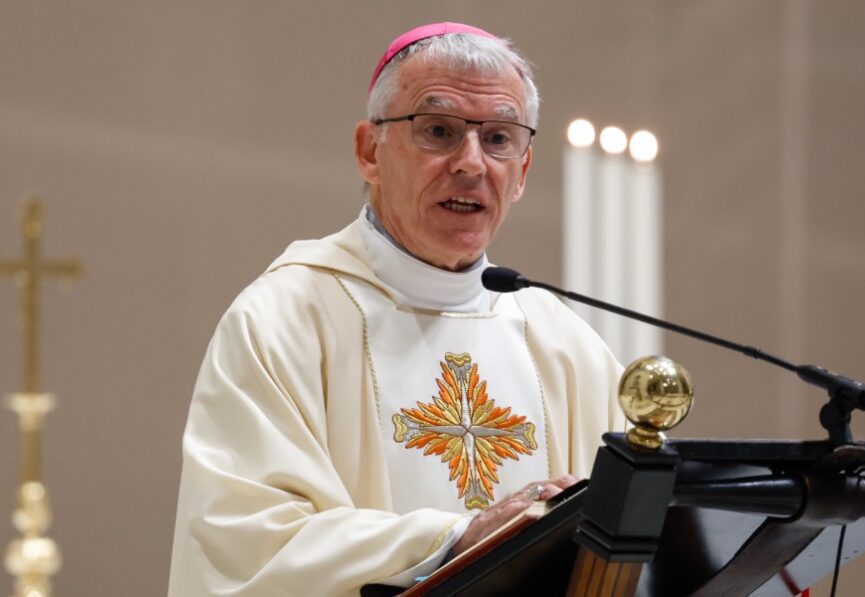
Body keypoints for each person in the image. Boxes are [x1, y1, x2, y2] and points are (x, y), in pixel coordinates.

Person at [168, 22, 625, 596]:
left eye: (499, 139)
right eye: (438, 130)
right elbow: (249, 548)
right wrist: (460, 537)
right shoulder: (285, 320)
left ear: (524, 172)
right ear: (369, 151)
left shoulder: (562, 341)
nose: (471, 163)